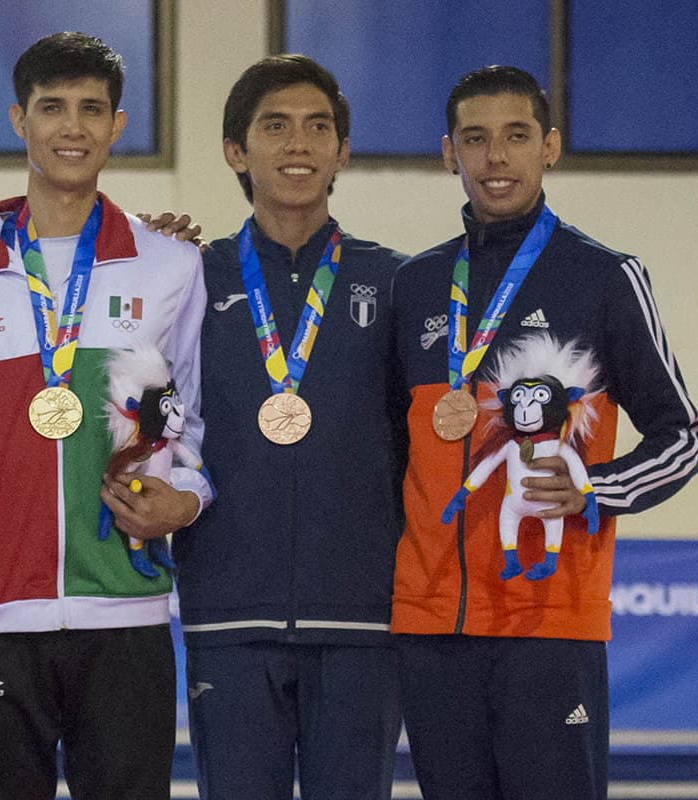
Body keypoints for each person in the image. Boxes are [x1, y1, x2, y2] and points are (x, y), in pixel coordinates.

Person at [390, 65, 698, 799]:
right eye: (476, 139)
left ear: (550, 146)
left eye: (516, 137)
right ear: (449, 154)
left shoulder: (602, 277)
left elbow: (682, 434)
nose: (496, 158)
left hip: (549, 622)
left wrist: (597, 486)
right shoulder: (418, 285)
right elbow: (388, 453)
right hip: (434, 628)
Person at [0, 31, 211, 800]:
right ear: (20, 119)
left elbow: (194, 416)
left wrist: (190, 495)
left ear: (118, 126)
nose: (72, 127)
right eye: (53, 107)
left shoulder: (172, 266)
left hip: (126, 611)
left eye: (92, 109)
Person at [171, 55, 407, 800]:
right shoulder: (186, 279)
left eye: (318, 127)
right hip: (227, 615)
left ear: (343, 151)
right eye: (275, 126)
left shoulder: (401, 282)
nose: (299, 144)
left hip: (365, 619)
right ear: (236, 151)